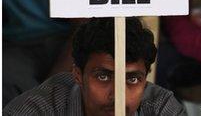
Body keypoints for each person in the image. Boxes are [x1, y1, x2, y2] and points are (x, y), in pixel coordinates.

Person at [3, 17, 186, 116]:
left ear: (146, 78)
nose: (117, 94)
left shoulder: (160, 107)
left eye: (132, 79)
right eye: (103, 76)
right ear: (77, 74)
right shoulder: (37, 110)